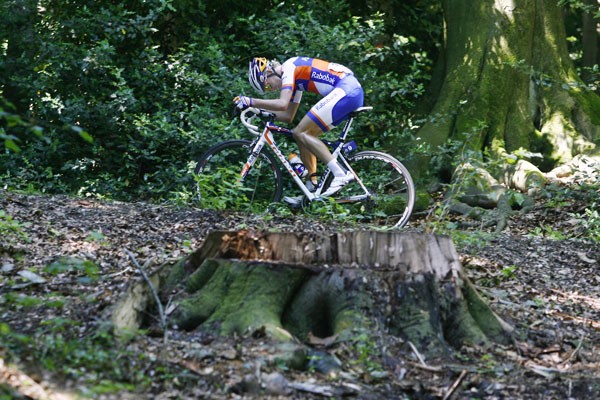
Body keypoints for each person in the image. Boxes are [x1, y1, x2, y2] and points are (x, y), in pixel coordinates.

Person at [233, 56, 364, 205]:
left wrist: (250, 101)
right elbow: (288, 116)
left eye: (268, 86)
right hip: (349, 91)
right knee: (303, 134)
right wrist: (257, 110)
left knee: (301, 132)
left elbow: (282, 104)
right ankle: (312, 187)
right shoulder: (295, 80)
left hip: (346, 89)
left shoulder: (289, 67)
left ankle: (341, 174)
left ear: (269, 71)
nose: (271, 90)